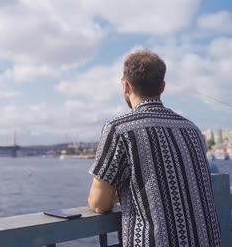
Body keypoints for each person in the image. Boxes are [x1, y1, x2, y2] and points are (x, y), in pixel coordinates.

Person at [88, 50, 222, 246]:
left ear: (126, 85)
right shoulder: (192, 129)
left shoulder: (119, 129)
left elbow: (99, 203)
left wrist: (118, 192)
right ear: (163, 86)